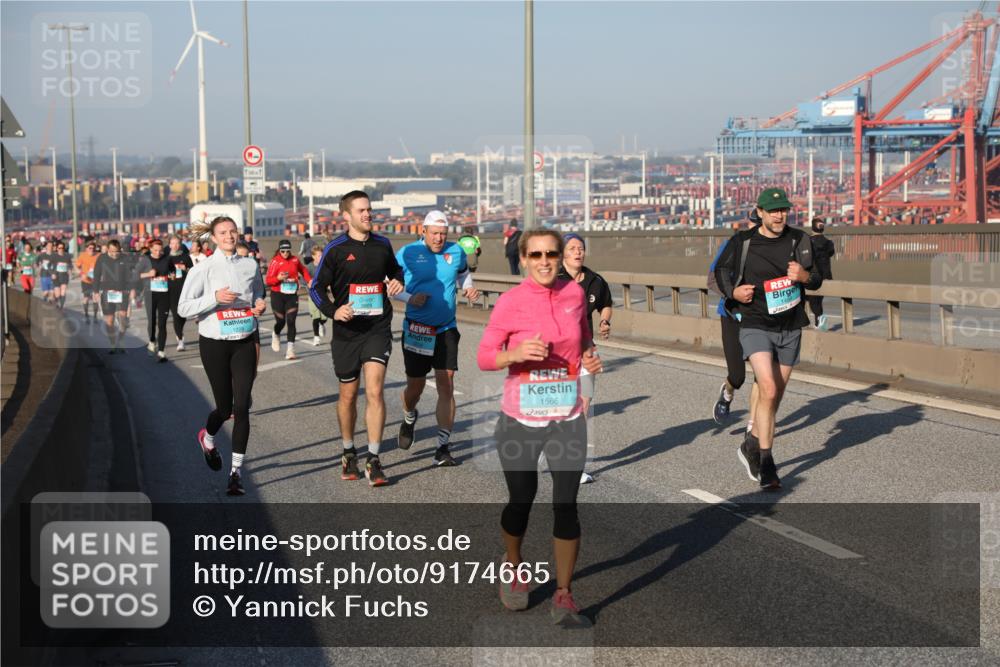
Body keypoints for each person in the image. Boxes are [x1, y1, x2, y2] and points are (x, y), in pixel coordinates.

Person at [477, 229, 602, 626]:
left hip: (566, 418)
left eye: (551, 253)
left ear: (560, 257)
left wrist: (589, 358)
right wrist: (514, 354)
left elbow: (584, 339)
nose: (544, 261)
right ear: (524, 259)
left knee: (566, 505)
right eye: (536, 255)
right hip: (520, 419)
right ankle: (513, 563)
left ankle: (563, 594)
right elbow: (484, 356)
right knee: (522, 499)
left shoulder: (575, 294)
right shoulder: (511, 302)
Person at [713, 188, 823, 490]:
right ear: (759, 212)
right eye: (773, 210)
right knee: (769, 387)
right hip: (755, 323)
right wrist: (733, 292)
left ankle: (750, 443)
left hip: (791, 326)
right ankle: (767, 462)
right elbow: (720, 271)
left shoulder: (800, 240)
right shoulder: (743, 242)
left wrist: (804, 277)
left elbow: (816, 278)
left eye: (783, 210)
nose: (779, 215)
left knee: (773, 397)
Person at [309, 190, 404, 487]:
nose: (367, 214)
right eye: (361, 210)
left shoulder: (382, 244)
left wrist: (398, 281)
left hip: (377, 328)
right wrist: (333, 311)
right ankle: (349, 450)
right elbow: (315, 287)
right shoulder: (336, 249)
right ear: (346, 215)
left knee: (375, 391)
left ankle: (373, 459)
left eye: (369, 209)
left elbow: (396, 271)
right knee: (348, 395)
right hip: (347, 333)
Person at [178, 216, 267, 496]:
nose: (229, 236)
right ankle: (208, 438)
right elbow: (183, 308)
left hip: (244, 341)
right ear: (214, 238)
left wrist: (259, 305)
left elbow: (258, 294)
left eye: (232, 231)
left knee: (241, 408)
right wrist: (214, 298)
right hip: (214, 344)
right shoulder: (203, 269)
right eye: (223, 233)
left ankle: (235, 473)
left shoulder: (250, 264)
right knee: (225, 408)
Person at [394, 211, 479, 467]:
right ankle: (409, 416)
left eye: (443, 234)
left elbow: (463, 273)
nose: (439, 239)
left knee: (446, 383)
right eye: (435, 234)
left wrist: (468, 286)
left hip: (446, 328)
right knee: (415, 387)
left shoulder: (456, 252)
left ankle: (442, 447)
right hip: (417, 330)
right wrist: (410, 298)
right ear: (424, 231)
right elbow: (390, 286)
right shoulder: (408, 253)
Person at [558, 233, 613, 485]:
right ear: (563, 253)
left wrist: (604, 321)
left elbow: (606, 304)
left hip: (587, 351)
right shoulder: (552, 279)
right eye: (572, 248)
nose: (577, 252)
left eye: (580, 248)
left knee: (583, 407)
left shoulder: (595, 281)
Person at [709, 209, 761, 428]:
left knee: (763, 375)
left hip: (760, 319)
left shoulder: (778, 247)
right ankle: (727, 393)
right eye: (755, 224)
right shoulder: (735, 245)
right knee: (737, 376)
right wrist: (733, 293)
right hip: (732, 315)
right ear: (749, 223)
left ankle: (754, 426)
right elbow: (713, 278)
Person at [265, 239, 312, 360]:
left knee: (291, 321)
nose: (285, 253)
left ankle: (290, 350)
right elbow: (268, 280)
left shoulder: (295, 259)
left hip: (291, 295)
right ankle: (276, 333)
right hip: (277, 295)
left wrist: (309, 280)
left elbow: (303, 270)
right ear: (279, 250)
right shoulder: (275, 261)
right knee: (281, 322)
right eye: (283, 251)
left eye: (287, 251)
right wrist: (278, 278)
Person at [135, 239, 174, 362]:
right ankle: (152, 340)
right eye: (155, 250)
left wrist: (172, 275)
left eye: (160, 250)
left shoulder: (167, 259)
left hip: (164, 294)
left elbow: (172, 271)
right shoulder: (145, 260)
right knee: (152, 321)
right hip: (150, 294)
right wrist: (148, 274)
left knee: (162, 324)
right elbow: (135, 275)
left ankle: (161, 351)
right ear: (150, 249)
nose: (158, 253)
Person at [92, 239, 134, 354]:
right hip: (107, 293)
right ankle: (112, 343)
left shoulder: (125, 258)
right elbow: (96, 275)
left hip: (122, 292)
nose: (114, 254)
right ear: (107, 249)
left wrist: (132, 289)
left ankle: (121, 340)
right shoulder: (102, 258)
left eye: (117, 251)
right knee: (109, 321)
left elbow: (131, 276)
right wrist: (95, 291)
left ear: (120, 249)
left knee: (123, 319)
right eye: (112, 251)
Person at [807, 217, 835, 330]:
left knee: (812, 300)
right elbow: (831, 253)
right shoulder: (829, 243)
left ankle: (819, 321)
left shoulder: (808, 241)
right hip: (826, 276)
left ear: (812, 227)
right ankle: (818, 322)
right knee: (818, 300)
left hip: (813, 275)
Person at [167, 235, 194, 351]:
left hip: (184, 289)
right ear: (169, 245)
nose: (175, 245)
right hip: (171, 290)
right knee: (175, 314)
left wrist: (185, 269)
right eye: (173, 243)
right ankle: (180, 339)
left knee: (183, 315)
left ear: (181, 244)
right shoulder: (166, 258)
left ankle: (179, 332)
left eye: (177, 243)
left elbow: (193, 272)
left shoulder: (185, 257)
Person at [306, 245, 328, 346]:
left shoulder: (325, 266)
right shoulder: (309, 267)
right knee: (315, 317)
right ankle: (316, 337)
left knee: (324, 318)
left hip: (323, 294)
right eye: (319, 256)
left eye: (322, 255)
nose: (321, 257)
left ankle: (321, 325)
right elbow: (303, 278)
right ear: (313, 256)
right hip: (312, 295)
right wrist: (308, 282)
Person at [75, 241, 101, 321]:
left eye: (93, 248)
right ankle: (86, 314)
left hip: (96, 280)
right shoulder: (83, 255)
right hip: (86, 280)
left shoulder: (98, 255)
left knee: (95, 298)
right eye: (90, 248)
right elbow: (77, 266)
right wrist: (81, 273)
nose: (92, 250)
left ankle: (95, 316)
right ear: (86, 248)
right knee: (86, 298)